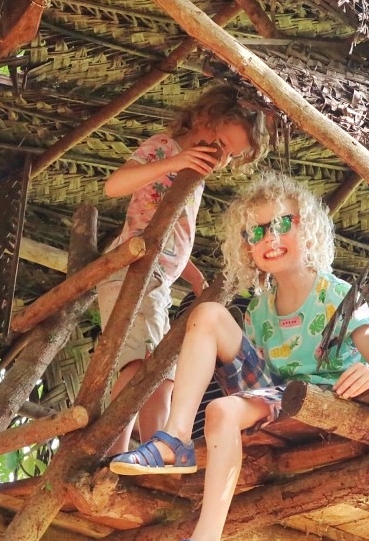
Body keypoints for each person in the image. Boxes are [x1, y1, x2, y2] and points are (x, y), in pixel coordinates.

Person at [109, 173, 369, 541]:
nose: (269, 238)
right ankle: (177, 450)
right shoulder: (258, 311)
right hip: (276, 395)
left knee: (223, 410)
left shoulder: (337, 294)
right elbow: (258, 381)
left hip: (320, 399)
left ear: (307, 229)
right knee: (207, 314)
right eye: (255, 232)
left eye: (281, 224)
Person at [97, 85, 268, 455]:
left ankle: (150, 448)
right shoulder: (167, 149)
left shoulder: (193, 170)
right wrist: (175, 162)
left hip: (155, 276)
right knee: (138, 365)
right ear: (204, 118)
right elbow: (114, 186)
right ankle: (117, 452)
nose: (221, 157)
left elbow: (162, 228)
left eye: (231, 154)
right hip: (132, 272)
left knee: (161, 371)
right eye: (221, 142)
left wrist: (190, 275)